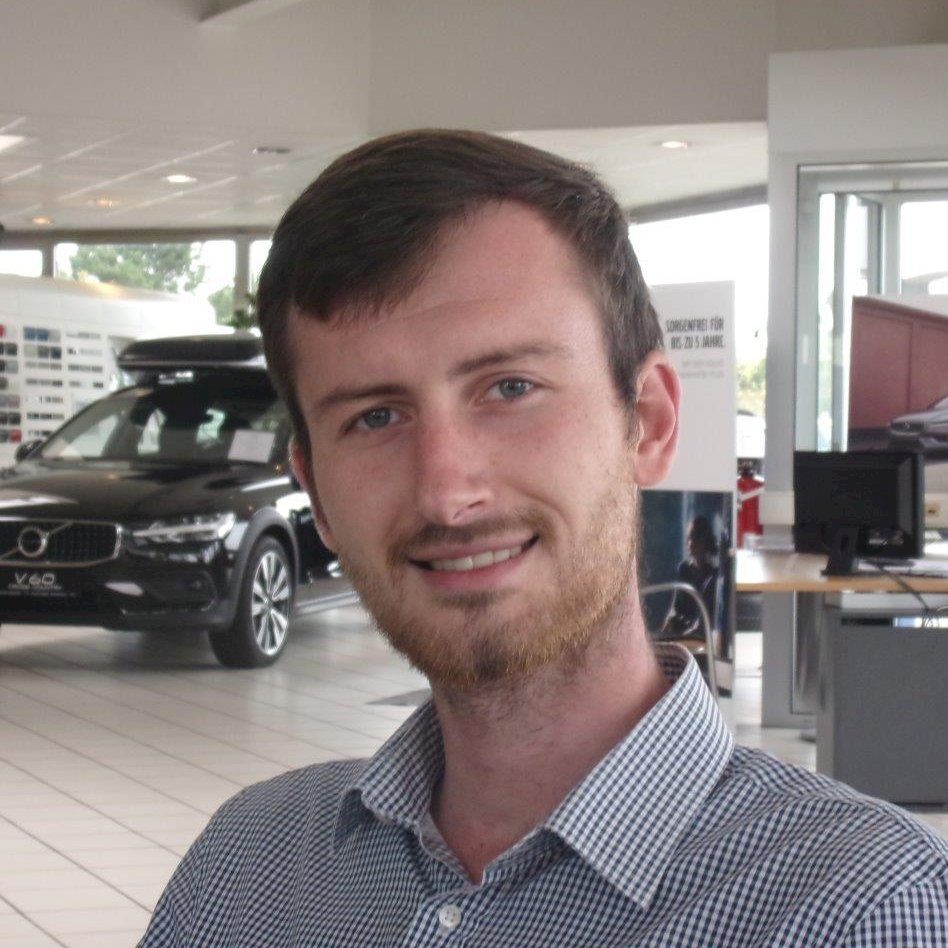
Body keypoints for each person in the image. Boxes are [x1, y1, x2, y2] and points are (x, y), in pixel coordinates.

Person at [139, 130, 947, 947]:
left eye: (511, 387)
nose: (447, 493)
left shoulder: (862, 908)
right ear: (315, 490)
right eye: (375, 417)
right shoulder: (247, 866)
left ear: (649, 423)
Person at [658, 514, 720, 640]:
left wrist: (686, 637)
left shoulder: (713, 577)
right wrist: (664, 633)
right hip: (682, 631)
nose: (689, 542)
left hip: (700, 637)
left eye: (693, 537)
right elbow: (675, 608)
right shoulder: (684, 570)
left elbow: (706, 621)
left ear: (703, 541)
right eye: (688, 538)